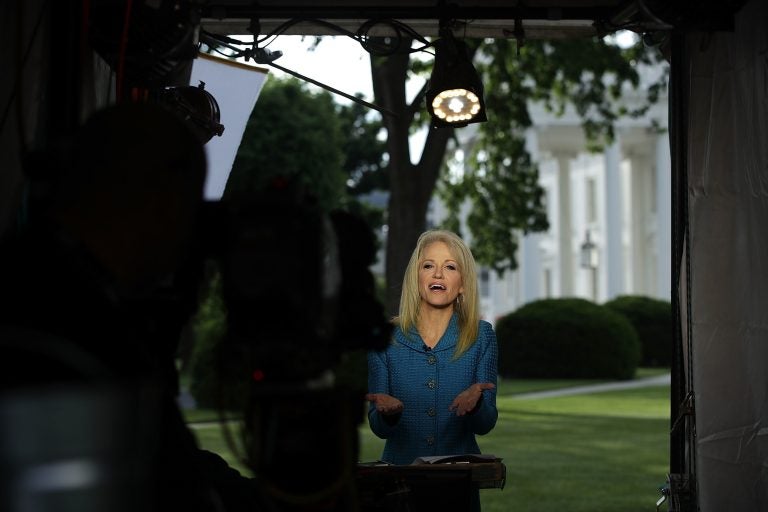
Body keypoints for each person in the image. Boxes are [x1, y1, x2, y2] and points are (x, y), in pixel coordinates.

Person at [365, 229, 498, 466]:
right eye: (428, 266)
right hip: (400, 482)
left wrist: (476, 405)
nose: (438, 274)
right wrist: (388, 414)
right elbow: (378, 428)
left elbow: (486, 424)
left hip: (459, 483)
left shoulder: (482, 336)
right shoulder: (384, 338)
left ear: (463, 284)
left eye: (450, 267)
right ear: (416, 278)